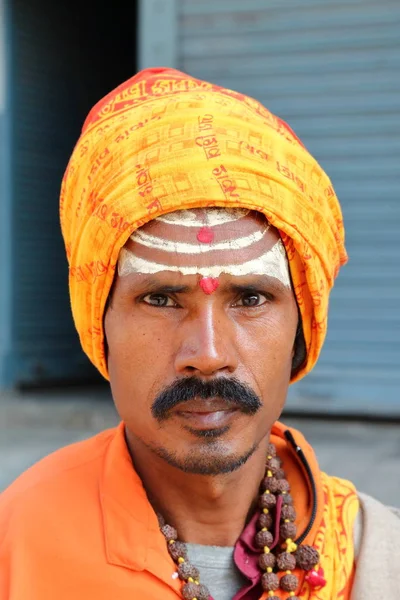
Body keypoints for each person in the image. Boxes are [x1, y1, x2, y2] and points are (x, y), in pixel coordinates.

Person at [0, 68, 398, 600]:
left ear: (302, 330)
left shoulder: (373, 556)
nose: (207, 356)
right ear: (100, 325)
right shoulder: (19, 543)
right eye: (160, 299)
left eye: (251, 299)